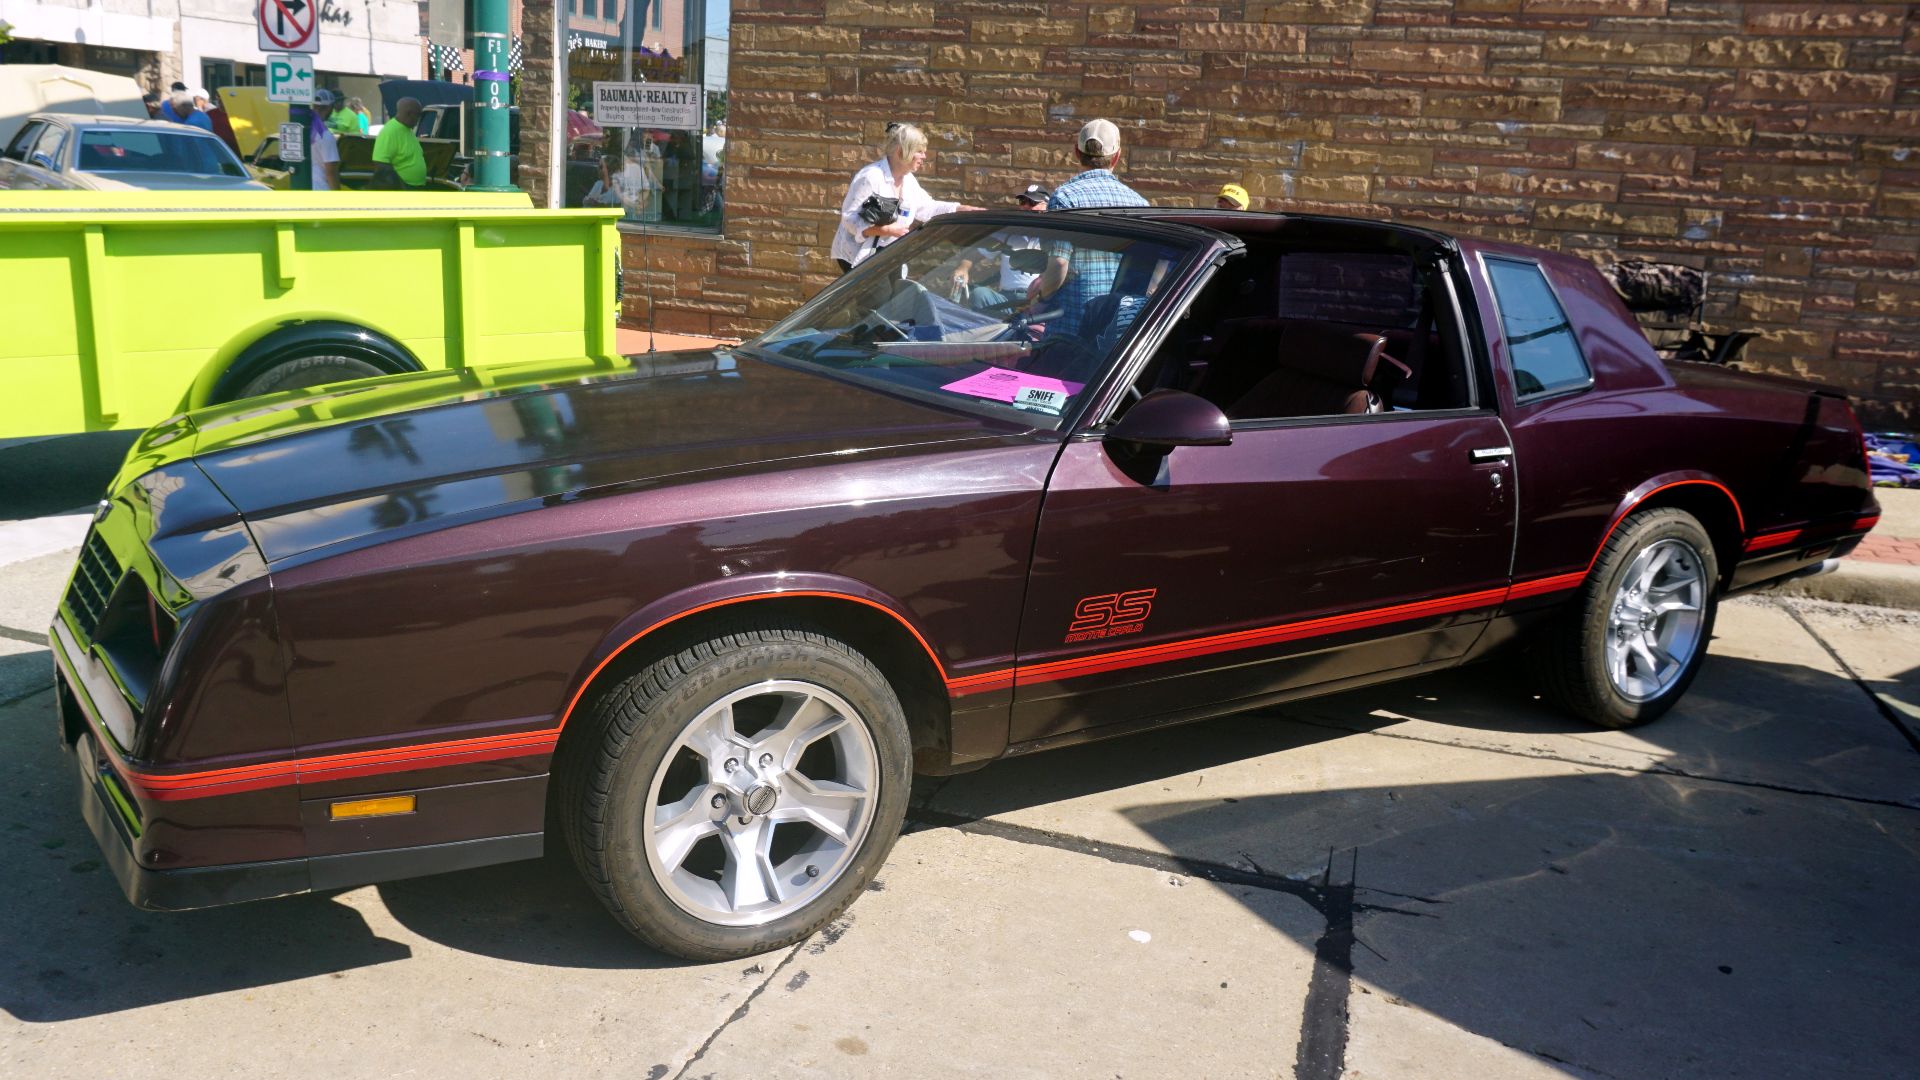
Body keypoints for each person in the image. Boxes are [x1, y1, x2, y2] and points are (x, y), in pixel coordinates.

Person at [1029, 119, 1148, 339]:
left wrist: (1042, 301)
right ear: (1117, 156)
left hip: (1072, 326)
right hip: (1117, 329)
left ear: (1076, 152)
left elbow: (1059, 263)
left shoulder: (1065, 197)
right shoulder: (1140, 204)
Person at [831, 122, 984, 274]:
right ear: (900, 151)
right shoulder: (871, 177)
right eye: (919, 151)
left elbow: (927, 207)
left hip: (887, 253)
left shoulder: (908, 180)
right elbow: (849, 219)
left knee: (897, 289)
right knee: (881, 290)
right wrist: (884, 230)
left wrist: (959, 209)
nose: (924, 156)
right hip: (858, 256)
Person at [952, 182, 1048, 310]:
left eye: (1032, 202)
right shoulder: (1009, 234)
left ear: (1046, 206)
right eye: (1023, 202)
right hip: (1005, 300)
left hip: (1039, 301)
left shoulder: (1054, 238)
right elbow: (976, 252)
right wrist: (963, 268)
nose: (1026, 206)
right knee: (979, 294)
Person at [370, 97, 428, 190]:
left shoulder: (407, 129)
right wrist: (399, 186)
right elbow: (380, 163)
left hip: (414, 187)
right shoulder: (390, 131)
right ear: (409, 114)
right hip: (403, 188)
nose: (418, 119)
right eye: (418, 115)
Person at [307, 89, 342, 191]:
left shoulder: (305, 130)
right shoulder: (326, 136)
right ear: (329, 108)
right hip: (322, 190)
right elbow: (331, 173)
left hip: (306, 187)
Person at [195, 87, 241, 156]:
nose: (219, 100)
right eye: (218, 97)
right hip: (215, 150)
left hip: (235, 152)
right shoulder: (210, 114)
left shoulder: (238, 114)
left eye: (221, 97)